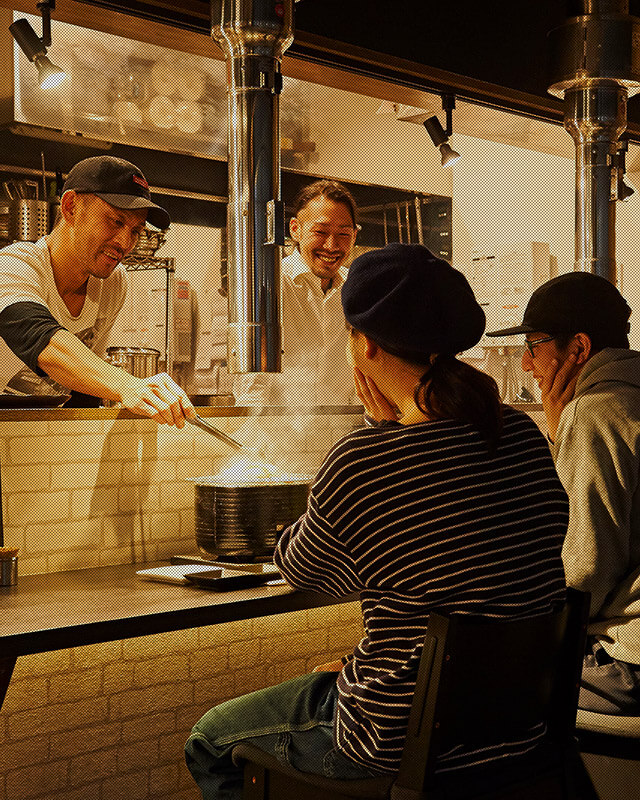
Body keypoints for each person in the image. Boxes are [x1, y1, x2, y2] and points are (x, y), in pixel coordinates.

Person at [185, 243, 569, 800]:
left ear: (362, 343)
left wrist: (379, 433)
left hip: (396, 738)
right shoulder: (521, 437)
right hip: (515, 731)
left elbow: (301, 570)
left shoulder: (364, 460)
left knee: (211, 738)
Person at [486, 271, 640, 714]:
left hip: (627, 662)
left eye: (533, 346)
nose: (526, 364)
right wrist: (559, 433)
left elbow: (585, 572)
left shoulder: (596, 412)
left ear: (578, 349)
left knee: (462, 684)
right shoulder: (623, 399)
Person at [0, 155, 194, 426]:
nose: (125, 243)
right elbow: (39, 338)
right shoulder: (14, 266)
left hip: (41, 437)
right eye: (115, 221)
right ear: (70, 207)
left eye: (135, 231)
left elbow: (83, 390)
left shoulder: (112, 282)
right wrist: (128, 385)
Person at [233, 179, 359, 406]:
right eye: (320, 232)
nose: (331, 246)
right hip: (278, 433)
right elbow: (254, 382)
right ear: (295, 229)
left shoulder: (357, 287)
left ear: (354, 236)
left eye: (343, 234)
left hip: (343, 431)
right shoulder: (271, 283)